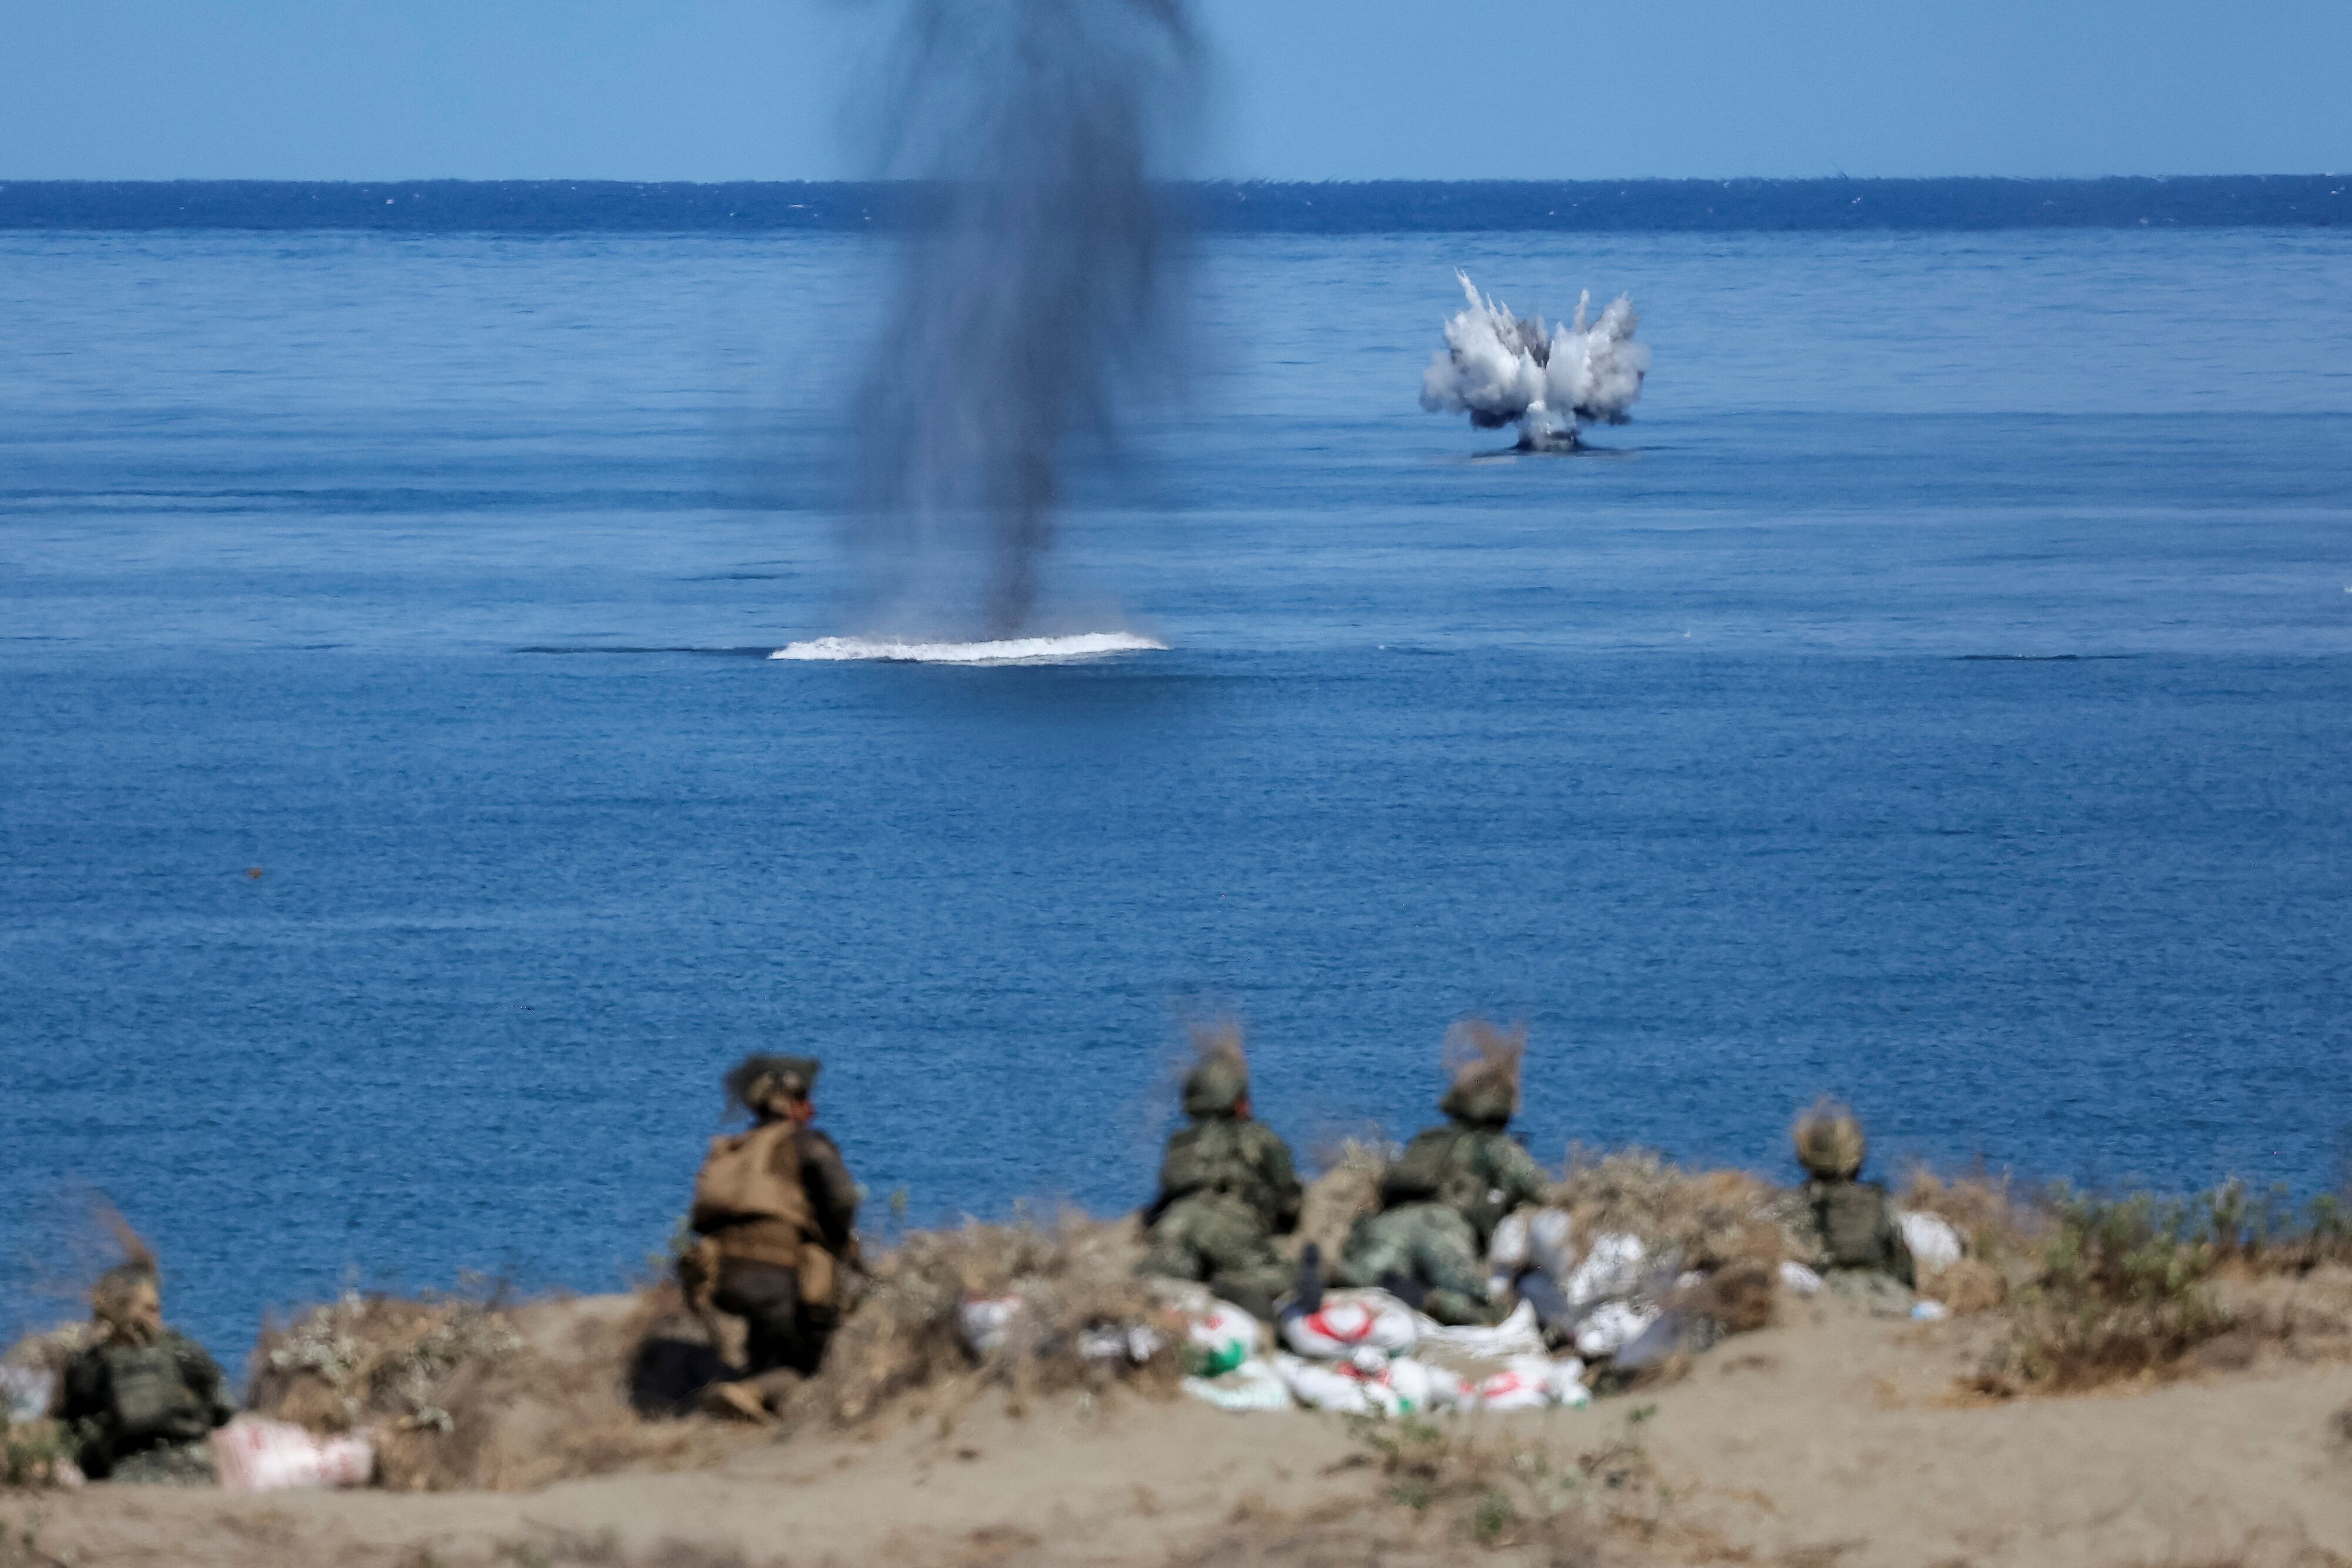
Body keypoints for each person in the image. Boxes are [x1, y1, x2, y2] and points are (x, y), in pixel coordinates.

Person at [1334, 1025, 1551, 1325]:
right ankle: (1426, 1300)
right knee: (1485, 1310)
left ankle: (1336, 1274)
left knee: (1362, 1280)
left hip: (1390, 1224)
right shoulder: (1496, 1149)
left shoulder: (1428, 1141)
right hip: (1444, 1230)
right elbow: (1545, 1192)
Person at [686, 1054, 862, 1420]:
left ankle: (751, 1389)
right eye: (804, 1101)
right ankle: (751, 1392)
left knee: (767, 1338)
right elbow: (843, 1197)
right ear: (791, 1104)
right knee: (809, 1364)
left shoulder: (738, 1149)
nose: (810, 1109)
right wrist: (838, 1240)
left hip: (720, 1278)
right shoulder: (804, 1143)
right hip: (775, 1275)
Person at [1137, 1035, 1302, 1321]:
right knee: (1289, 1278)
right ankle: (1233, 1286)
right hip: (1228, 1224)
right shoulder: (1260, 1139)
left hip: (1176, 1224)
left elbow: (1165, 1194)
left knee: (1160, 1274)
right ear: (1238, 1102)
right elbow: (1288, 1201)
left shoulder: (1180, 1143)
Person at [56, 1261, 235, 1483]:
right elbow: (225, 1408)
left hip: (120, 1472)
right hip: (191, 1468)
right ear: (127, 1311)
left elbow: (70, 1427)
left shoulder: (90, 1364)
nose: (157, 1317)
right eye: (151, 1309)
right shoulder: (183, 1353)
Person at [1793, 1100, 1915, 1288]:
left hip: (1822, 1293)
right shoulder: (1878, 1201)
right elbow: (1902, 1263)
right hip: (1884, 1292)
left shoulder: (1797, 1204)